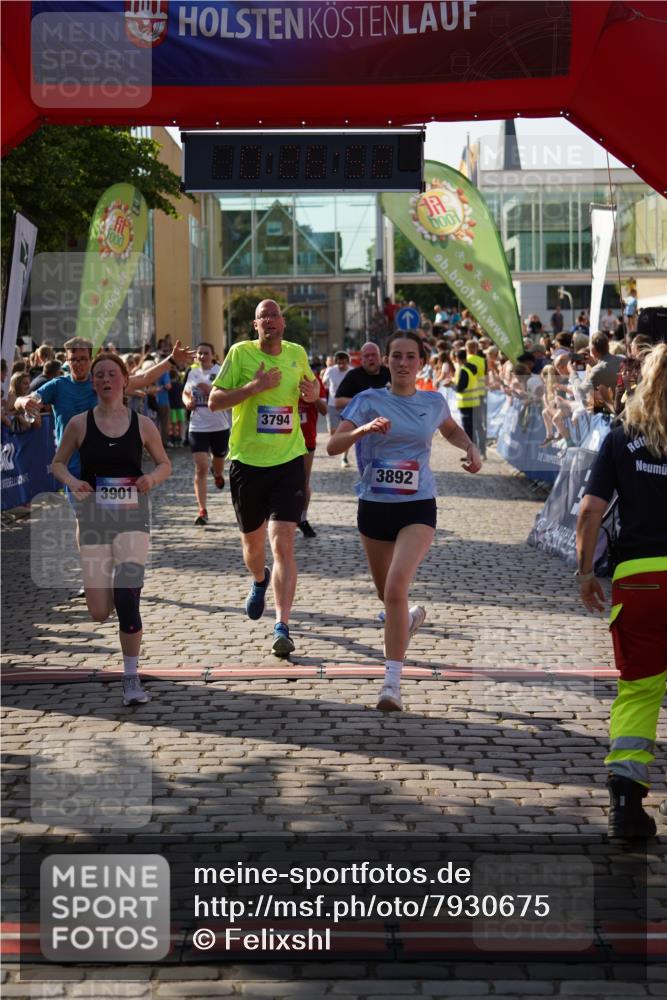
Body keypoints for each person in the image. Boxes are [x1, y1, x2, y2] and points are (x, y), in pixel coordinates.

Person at [327, 331, 482, 712]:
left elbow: (450, 429)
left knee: (396, 587)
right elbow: (332, 445)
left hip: (418, 505)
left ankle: (391, 684)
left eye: (410, 356)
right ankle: (408, 620)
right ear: (386, 361)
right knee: (388, 596)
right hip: (375, 507)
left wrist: (470, 447)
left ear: (421, 362)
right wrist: (363, 430)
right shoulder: (367, 400)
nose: (402, 363)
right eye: (396, 356)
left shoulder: (433, 401)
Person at [575, 343, 667, 840]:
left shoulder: (622, 436)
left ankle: (626, 802)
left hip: (642, 577)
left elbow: (590, 510)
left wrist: (585, 572)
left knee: (639, 690)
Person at [51, 354, 171, 706]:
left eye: (111, 374)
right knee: (99, 611)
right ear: (94, 384)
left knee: (126, 597)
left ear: (124, 380)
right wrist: (73, 481)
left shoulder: (143, 424)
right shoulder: (79, 424)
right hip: (92, 519)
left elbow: (164, 464)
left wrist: (151, 477)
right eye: (99, 375)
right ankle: (122, 599)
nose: (105, 380)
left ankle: (131, 677)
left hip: (133, 517)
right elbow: (58, 463)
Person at [208, 299, 319, 657]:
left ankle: (282, 625)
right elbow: (214, 401)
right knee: (254, 549)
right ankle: (259, 578)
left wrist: (313, 393)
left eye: (273, 316)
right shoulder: (240, 355)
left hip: (288, 460)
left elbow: (314, 390)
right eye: (262, 318)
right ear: (255, 326)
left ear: (283, 323)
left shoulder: (297, 354)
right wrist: (253, 388)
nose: (268, 321)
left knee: (283, 542)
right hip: (247, 464)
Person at [14, 336, 195, 479]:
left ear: (91, 359)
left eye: (83, 359)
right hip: (73, 464)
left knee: (113, 518)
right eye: (73, 359)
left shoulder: (102, 380)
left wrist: (171, 360)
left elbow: (144, 378)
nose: (78, 364)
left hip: (106, 460)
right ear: (67, 361)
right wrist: (23, 402)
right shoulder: (57, 385)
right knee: (83, 518)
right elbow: (27, 399)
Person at [183, 343, 231, 526]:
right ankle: (202, 510)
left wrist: (210, 390)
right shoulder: (192, 372)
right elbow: (185, 393)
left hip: (219, 426)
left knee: (218, 463)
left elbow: (228, 395)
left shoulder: (221, 371)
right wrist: (187, 401)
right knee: (200, 467)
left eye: (205, 353)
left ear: (213, 355)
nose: (202, 356)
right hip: (198, 426)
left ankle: (217, 473)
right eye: (199, 353)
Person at [335, 342, 391, 471]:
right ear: (361, 359)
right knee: (368, 473)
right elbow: (338, 401)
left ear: (381, 357)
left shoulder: (389, 373)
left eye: (374, 355)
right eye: (367, 356)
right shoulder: (354, 375)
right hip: (365, 433)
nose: (371, 358)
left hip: (390, 430)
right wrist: (364, 402)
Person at [297, 371, 328, 537]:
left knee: (303, 481)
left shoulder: (314, 380)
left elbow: (324, 410)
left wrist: (313, 395)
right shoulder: (282, 375)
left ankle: (302, 518)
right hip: (281, 439)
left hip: (306, 439)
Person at [322, 351, 351, 467]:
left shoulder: (352, 372)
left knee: (346, 432)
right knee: (333, 431)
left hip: (347, 405)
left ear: (347, 362)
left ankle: (344, 457)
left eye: (343, 363)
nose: (341, 366)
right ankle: (338, 443)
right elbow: (324, 382)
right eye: (339, 363)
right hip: (333, 404)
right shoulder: (331, 370)